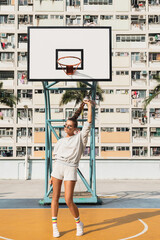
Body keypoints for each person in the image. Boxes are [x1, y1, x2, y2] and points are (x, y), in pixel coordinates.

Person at [49, 99, 93, 238]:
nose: (66, 128)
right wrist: (52, 174)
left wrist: (89, 106)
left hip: (71, 167)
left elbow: (89, 122)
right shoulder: (60, 141)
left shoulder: (81, 138)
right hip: (58, 168)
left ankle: (78, 223)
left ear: (75, 129)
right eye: (65, 126)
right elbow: (56, 159)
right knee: (55, 198)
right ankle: (55, 227)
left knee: (68, 200)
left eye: (69, 126)